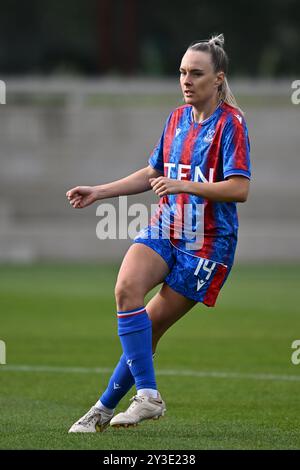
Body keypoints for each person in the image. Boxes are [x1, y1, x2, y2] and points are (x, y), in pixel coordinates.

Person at [66, 33, 251, 433]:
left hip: (207, 245)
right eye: (182, 72)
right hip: (168, 227)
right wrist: (100, 191)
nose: (186, 80)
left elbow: (239, 189)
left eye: (196, 74)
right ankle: (148, 396)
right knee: (125, 290)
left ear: (218, 79)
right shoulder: (176, 119)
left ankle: (101, 408)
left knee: (147, 327)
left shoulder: (231, 124)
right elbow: (153, 171)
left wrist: (185, 185)